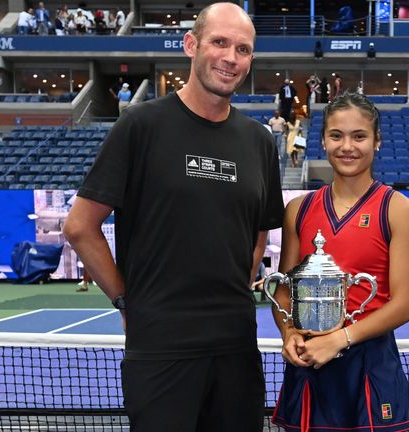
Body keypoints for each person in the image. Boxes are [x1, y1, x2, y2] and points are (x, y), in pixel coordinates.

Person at [62, 3, 284, 431]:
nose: (230, 58)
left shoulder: (259, 141)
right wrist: (126, 302)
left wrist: (232, 291)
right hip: (160, 347)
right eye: (219, 42)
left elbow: (259, 235)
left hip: (236, 346)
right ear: (191, 45)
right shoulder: (140, 126)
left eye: (243, 49)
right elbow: (79, 226)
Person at [270, 91, 409, 431]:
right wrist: (289, 332)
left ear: (377, 142)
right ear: (323, 140)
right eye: (336, 135)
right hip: (309, 364)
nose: (347, 146)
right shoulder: (299, 209)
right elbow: (283, 293)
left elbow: (403, 305)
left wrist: (339, 339)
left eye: (359, 136)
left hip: (371, 364)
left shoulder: (397, 209)